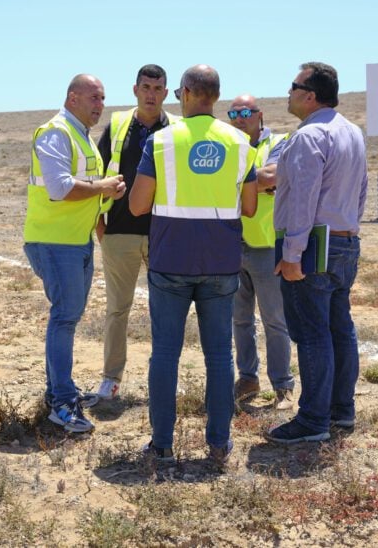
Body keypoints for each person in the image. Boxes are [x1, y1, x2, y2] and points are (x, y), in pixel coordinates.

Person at [129, 64, 258, 464]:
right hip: (221, 263)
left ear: (183, 93)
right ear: (216, 97)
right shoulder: (240, 143)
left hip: (171, 262)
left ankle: (162, 444)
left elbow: (137, 206)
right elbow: (250, 207)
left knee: (165, 354)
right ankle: (219, 443)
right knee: (220, 356)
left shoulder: (162, 141)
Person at [268, 62, 368, 444]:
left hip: (312, 244)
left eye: (294, 86)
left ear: (310, 95)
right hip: (344, 239)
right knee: (339, 328)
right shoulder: (352, 132)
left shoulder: (310, 136)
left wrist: (293, 253)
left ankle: (313, 420)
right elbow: (361, 190)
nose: (289, 92)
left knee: (312, 334)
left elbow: (303, 198)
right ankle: (341, 411)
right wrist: (348, 229)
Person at [23, 74, 126, 433]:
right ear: (72, 98)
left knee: (67, 317)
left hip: (75, 240)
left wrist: (104, 194)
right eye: (94, 98)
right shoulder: (55, 132)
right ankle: (62, 404)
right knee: (64, 319)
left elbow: (85, 188)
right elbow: (59, 188)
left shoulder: (80, 133)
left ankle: (59, 392)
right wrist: (103, 187)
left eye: (103, 99)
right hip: (54, 242)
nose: (100, 105)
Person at [94, 64, 177, 401]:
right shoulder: (116, 125)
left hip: (164, 236)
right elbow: (97, 177)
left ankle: (165, 378)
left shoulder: (176, 129)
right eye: (146, 87)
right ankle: (111, 379)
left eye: (157, 89)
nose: (151, 94)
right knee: (117, 309)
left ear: (167, 93)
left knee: (167, 310)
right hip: (120, 235)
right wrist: (102, 228)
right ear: (135, 90)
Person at [227, 94, 295, 409]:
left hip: (267, 245)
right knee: (240, 319)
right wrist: (258, 185)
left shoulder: (279, 142)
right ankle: (248, 377)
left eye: (246, 112)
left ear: (260, 115)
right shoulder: (230, 145)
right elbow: (262, 182)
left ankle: (283, 387)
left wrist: (237, 183)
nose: (240, 118)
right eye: (234, 113)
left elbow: (273, 176)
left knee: (274, 320)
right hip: (233, 244)